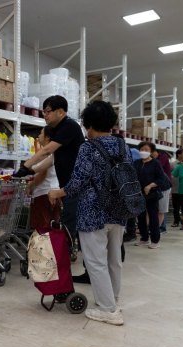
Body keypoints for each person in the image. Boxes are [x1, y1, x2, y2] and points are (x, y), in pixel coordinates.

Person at [48, 101, 127, 326]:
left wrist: (58, 192)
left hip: (93, 211)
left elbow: (78, 182)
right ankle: (114, 301)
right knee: (114, 260)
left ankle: (107, 309)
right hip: (119, 210)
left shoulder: (88, 147)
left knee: (95, 262)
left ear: (89, 125)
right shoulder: (122, 146)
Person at [13, 95, 85, 276]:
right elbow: (50, 160)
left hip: (74, 187)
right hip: (66, 187)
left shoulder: (68, 126)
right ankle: (63, 264)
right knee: (66, 225)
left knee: (68, 225)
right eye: (43, 111)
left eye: (48, 111)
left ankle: (62, 269)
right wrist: (29, 171)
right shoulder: (61, 129)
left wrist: (25, 166)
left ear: (61, 111)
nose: (45, 115)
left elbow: (46, 151)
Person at [134, 142, 170, 249]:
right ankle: (144, 238)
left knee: (153, 217)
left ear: (151, 151)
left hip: (152, 194)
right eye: (141, 149)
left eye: (146, 149)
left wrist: (150, 186)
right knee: (140, 217)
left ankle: (155, 240)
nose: (143, 152)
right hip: (139, 194)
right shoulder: (136, 163)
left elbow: (161, 178)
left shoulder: (156, 163)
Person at [26, 127, 61, 231]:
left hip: (43, 195)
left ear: (47, 137)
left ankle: (42, 248)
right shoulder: (56, 153)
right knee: (52, 229)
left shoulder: (47, 154)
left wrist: (30, 186)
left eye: (41, 134)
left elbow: (42, 174)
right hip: (54, 192)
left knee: (42, 230)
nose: (38, 136)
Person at [152, 147, 172, 233]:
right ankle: (156, 227)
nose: (151, 155)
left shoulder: (163, 157)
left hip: (164, 186)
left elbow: (158, 166)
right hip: (156, 186)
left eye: (152, 152)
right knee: (158, 208)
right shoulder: (154, 159)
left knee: (162, 208)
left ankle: (161, 227)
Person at [170, 156, 182, 227]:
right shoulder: (172, 164)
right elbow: (169, 174)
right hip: (175, 189)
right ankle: (176, 221)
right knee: (176, 207)